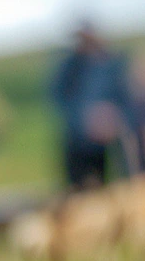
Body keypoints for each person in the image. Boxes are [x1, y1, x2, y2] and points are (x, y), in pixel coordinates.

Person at [49, 20, 135, 192]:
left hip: (105, 144)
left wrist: (113, 119)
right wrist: (85, 121)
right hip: (77, 142)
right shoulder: (70, 66)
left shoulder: (110, 65)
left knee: (104, 188)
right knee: (76, 190)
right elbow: (59, 100)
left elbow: (124, 99)